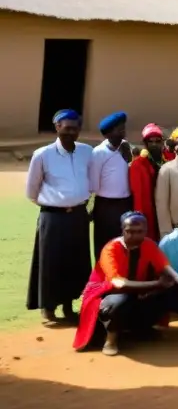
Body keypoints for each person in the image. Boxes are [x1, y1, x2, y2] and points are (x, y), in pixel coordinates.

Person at [73, 211, 178, 356]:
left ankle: (141, 329)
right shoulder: (111, 249)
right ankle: (111, 339)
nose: (134, 236)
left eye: (140, 232)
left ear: (146, 231)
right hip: (108, 294)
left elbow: (164, 265)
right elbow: (118, 283)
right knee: (119, 300)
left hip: (137, 289)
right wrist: (156, 284)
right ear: (122, 230)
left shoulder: (149, 244)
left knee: (172, 289)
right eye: (129, 231)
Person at [26, 109, 94, 326]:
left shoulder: (86, 152)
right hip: (53, 218)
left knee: (76, 262)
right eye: (66, 128)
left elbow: (91, 181)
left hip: (78, 217)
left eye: (75, 129)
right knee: (51, 262)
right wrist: (56, 205)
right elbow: (31, 191)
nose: (71, 133)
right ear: (57, 127)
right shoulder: (42, 155)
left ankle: (69, 306)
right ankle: (48, 308)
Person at [90, 111, 135, 260]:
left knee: (125, 243)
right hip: (106, 206)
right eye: (119, 129)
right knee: (105, 245)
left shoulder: (126, 147)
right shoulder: (98, 152)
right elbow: (93, 183)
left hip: (125, 204)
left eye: (123, 128)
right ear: (108, 134)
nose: (123, 131)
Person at [131, 124, 163, 241]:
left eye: (157, 141)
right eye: (150, 141)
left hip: (163, 212)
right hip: (147, 214)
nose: (154, 144)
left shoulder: (165, 162)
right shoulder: (138, 164)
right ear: (145, 144)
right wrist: (140, 219)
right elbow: (138, 195)